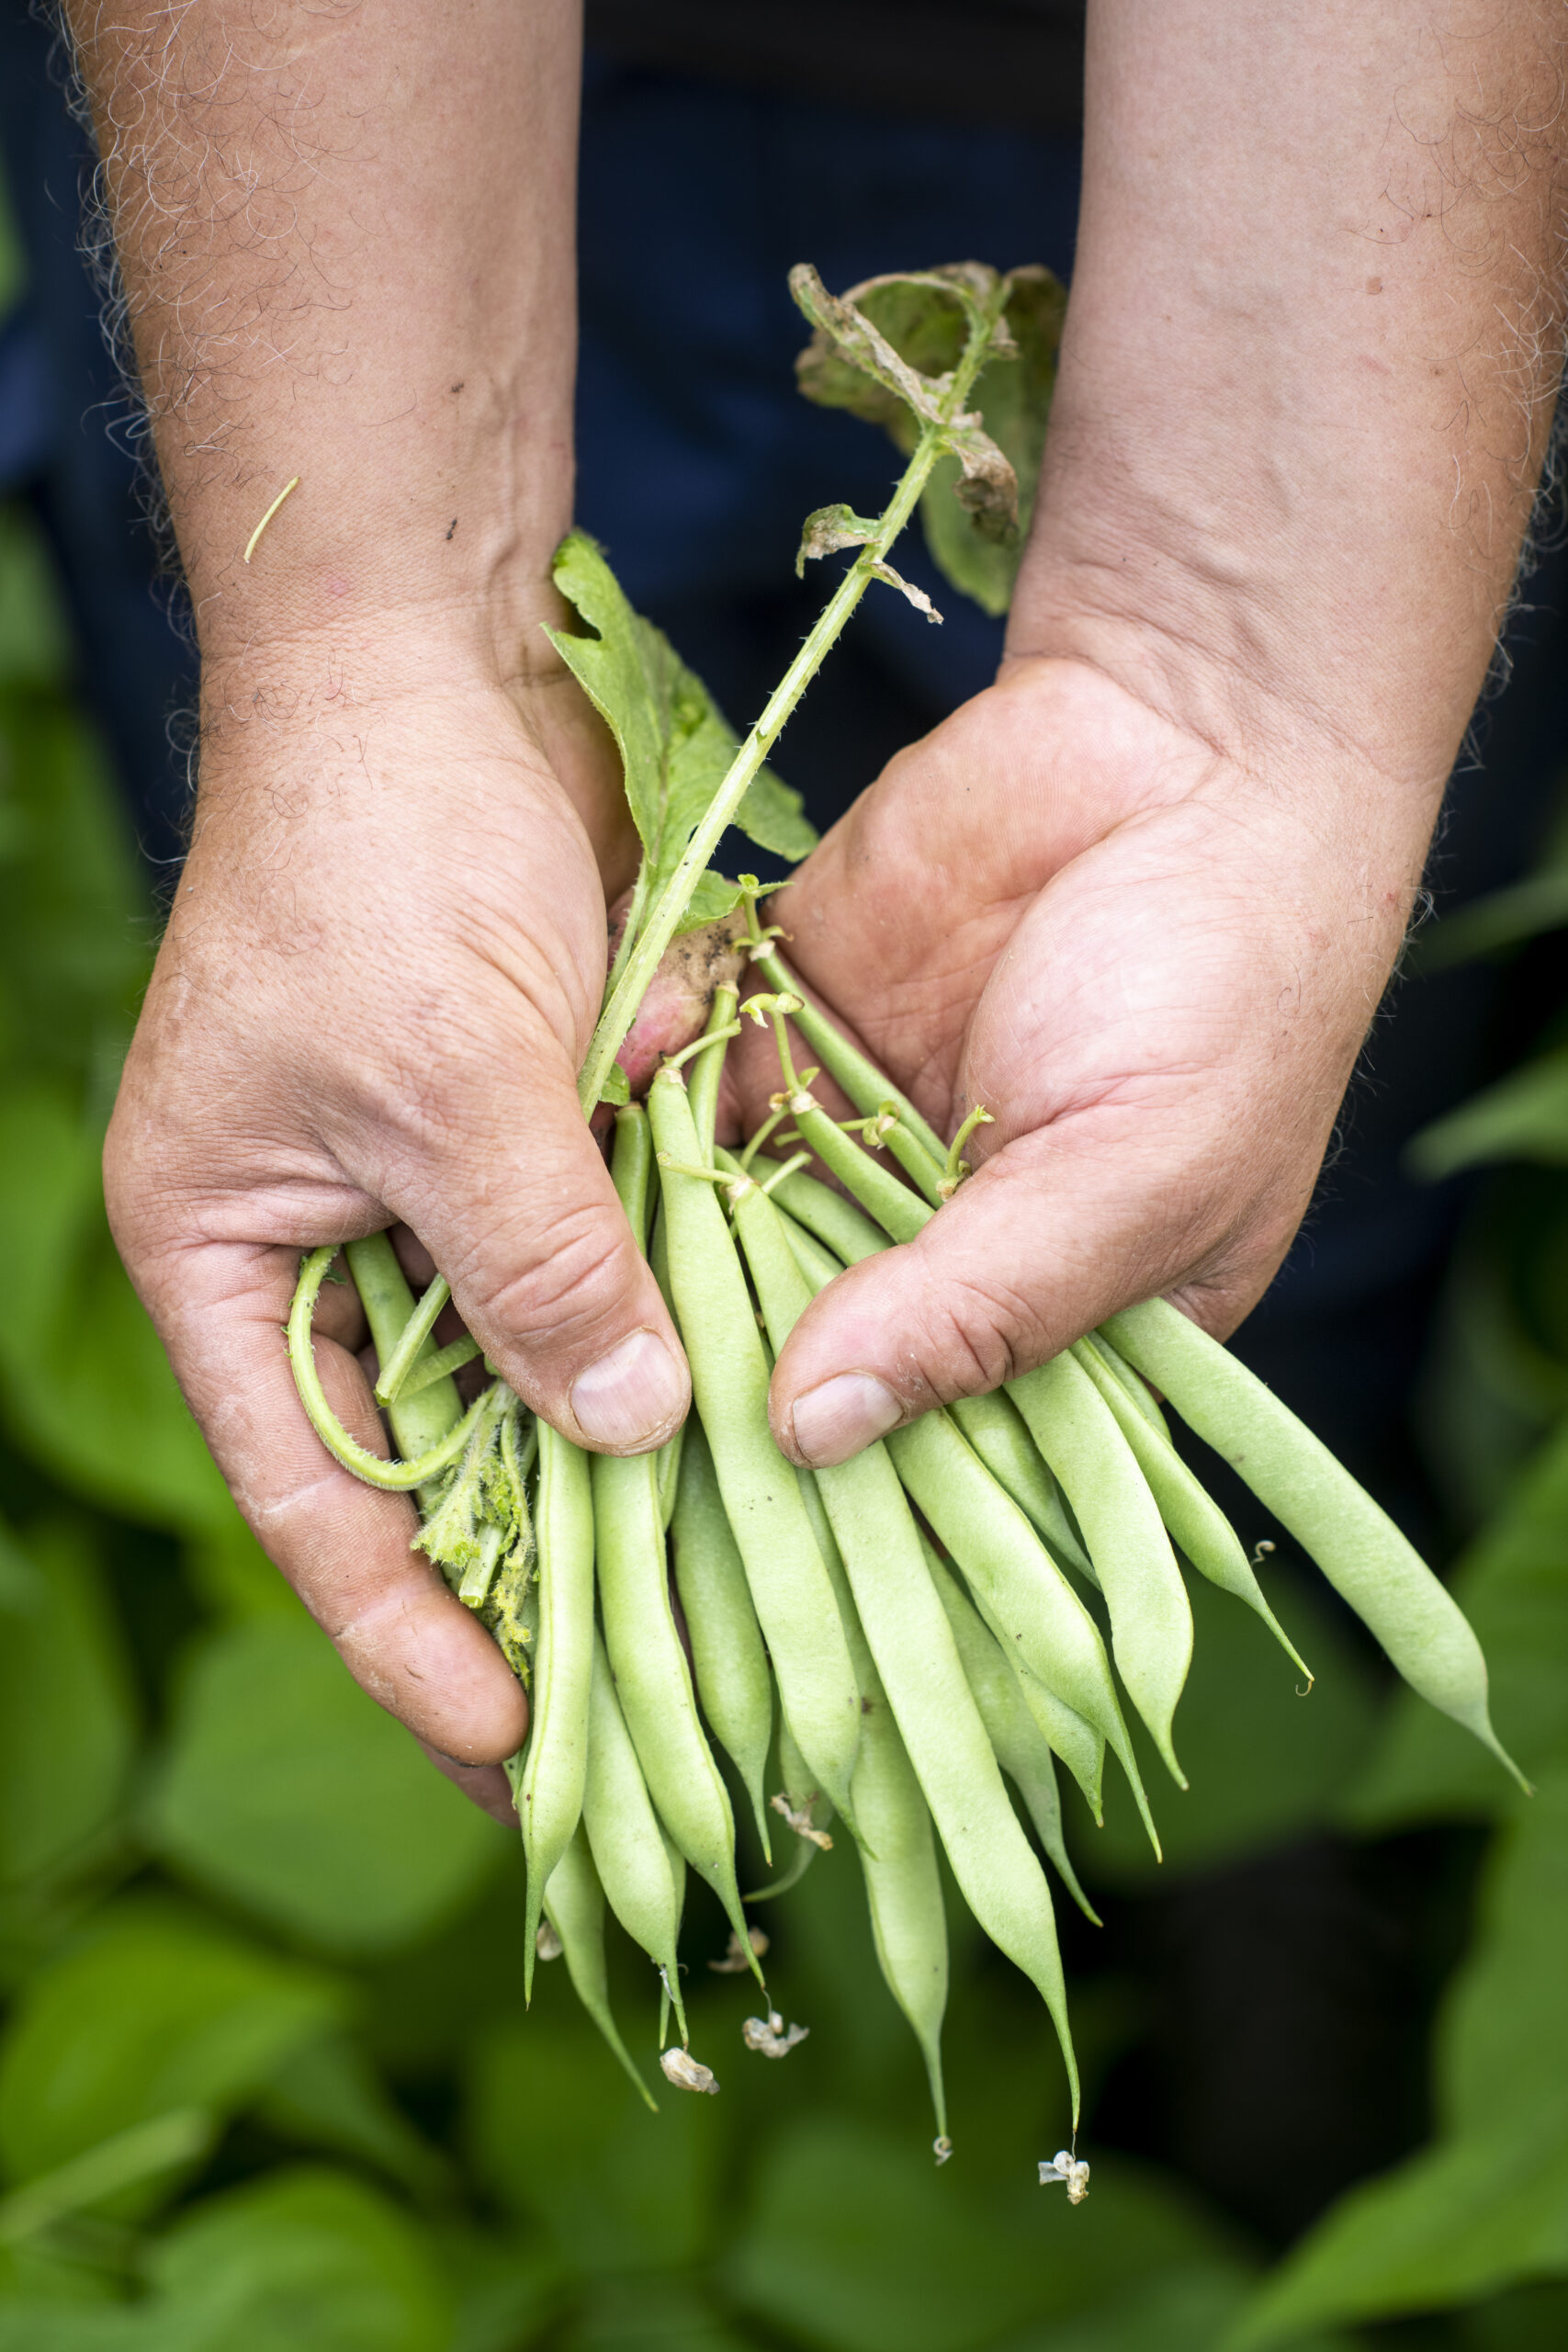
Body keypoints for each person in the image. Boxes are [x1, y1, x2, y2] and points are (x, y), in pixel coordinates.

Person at [64, 2, 1567, 1826]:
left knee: (1211, 1149)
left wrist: (1244, 674)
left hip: (1346, 151)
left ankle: (1255, 1823)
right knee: (422, 1078)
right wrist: (360, 654)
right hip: (313, 142)